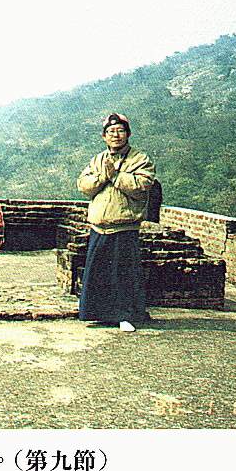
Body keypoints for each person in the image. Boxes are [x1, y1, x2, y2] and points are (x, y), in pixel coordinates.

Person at [77, 113, 156, 332]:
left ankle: (125, 316)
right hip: (99, 226)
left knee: (123, 274)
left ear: (128, 134)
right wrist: (102, 176)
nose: (116, 135)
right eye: (111, 131)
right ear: (104, 136)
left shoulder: (140, 159)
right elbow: (83, 185)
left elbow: (142, 185)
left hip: (124, 226)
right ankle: (98, 314)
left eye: (120, 131)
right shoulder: (98, 159)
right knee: (98, 274)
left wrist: (115, 176)